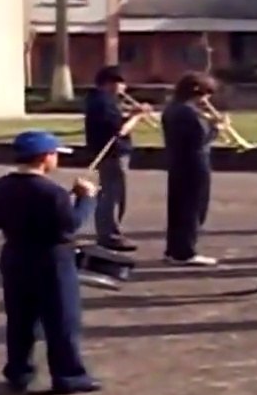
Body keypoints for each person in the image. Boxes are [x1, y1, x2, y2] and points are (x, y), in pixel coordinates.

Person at [0, 130, 101, 395]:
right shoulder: (52, 192)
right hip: (52, 258)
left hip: (15, 254)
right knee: (62, 318)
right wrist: (86, 199)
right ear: (45, 157)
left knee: (20, 318)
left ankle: (19, 371)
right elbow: (69, 227)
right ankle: (68, 375)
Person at [83, 66, 148, 253]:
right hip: (112, 153)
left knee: (112, 193)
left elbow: (114, 122)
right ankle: (110, 235)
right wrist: (137, 117)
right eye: (121, 83)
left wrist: (130, 115)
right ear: (111, 83)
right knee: (113, 195)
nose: (123, 88)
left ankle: (110, 233)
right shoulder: (103, 102)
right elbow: (120, 130)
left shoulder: (101, 101)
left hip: (109, 152)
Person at [160, 72, 221, 266]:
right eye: (206, 93)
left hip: (177, 163)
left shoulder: (171, 109)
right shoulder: (188, 112)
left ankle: (174, 249)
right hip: (194, 164)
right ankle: (185, 251)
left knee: (178, 208)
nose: (207, 99)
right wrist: (216, 127)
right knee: (193, 209)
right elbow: (200, 139)